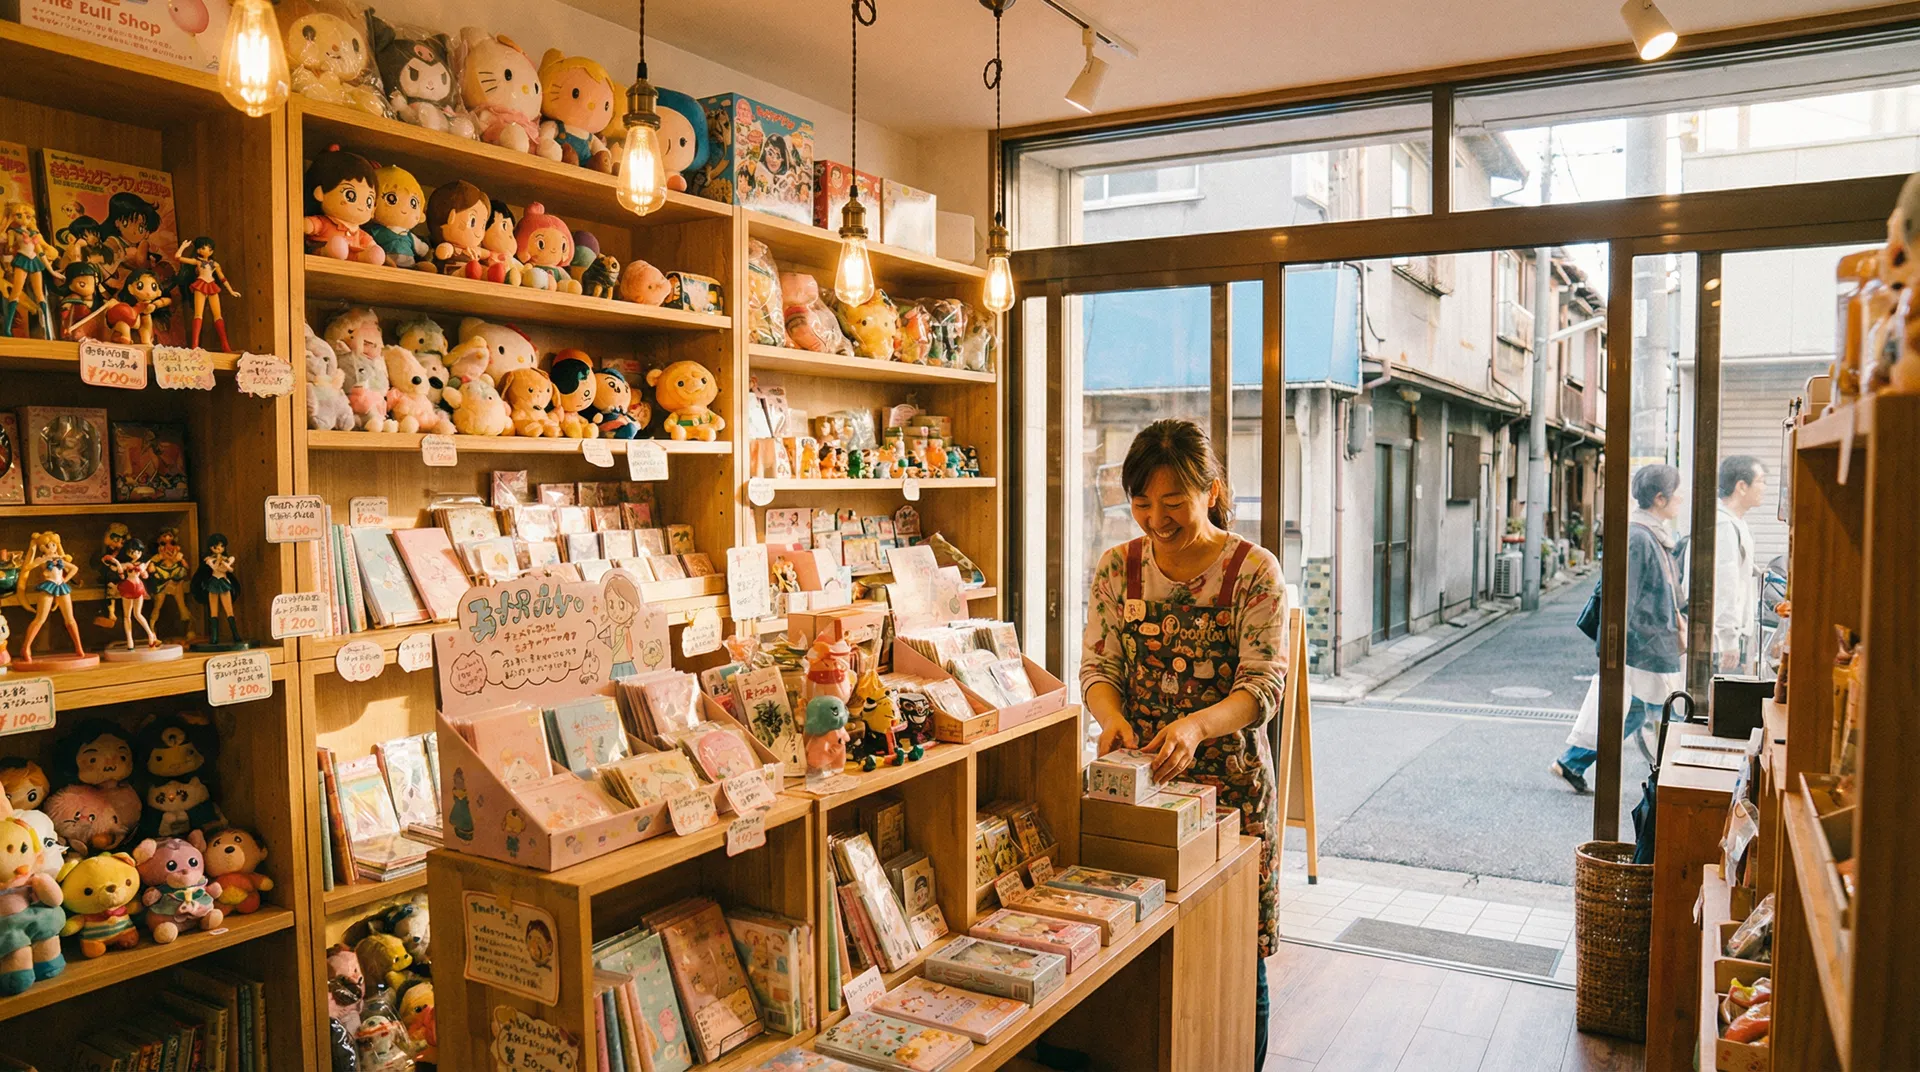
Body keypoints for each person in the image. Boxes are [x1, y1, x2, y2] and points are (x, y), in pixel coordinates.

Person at [1081, 419, 1288, 1069]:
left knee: (1235, 952)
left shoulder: (1252, 571)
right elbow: (1098, 670)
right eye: (1142, 503)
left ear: (1212, 491)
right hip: (1140, 783)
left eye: (1174, 503)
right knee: (1142, 943)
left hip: (1231, 788)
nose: (1156, 519)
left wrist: (1197, 725)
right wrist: (1110, 717)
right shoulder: (1118, 568)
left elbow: (1264, 685)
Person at [1553, 464, 1687, 792]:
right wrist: (1617, 650)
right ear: (1659, 498)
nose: (1681, 498)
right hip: (1644, 645)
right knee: (1664, 711)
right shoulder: (1639, 537)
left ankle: (1571, 762)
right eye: (1676, 492)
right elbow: (1623, 597)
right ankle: (1675, 783)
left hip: (1648, 643)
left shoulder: (1649, 534)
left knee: (1636, 711)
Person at [1714, 456, 1766, 673]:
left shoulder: (1735, 522)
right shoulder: (1724, 525)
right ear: (1741, 486)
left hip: (1731, 637)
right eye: (1761, 481)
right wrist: (1729, 641)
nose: (1764, 487)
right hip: (1721, 642)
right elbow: (1725, 585)